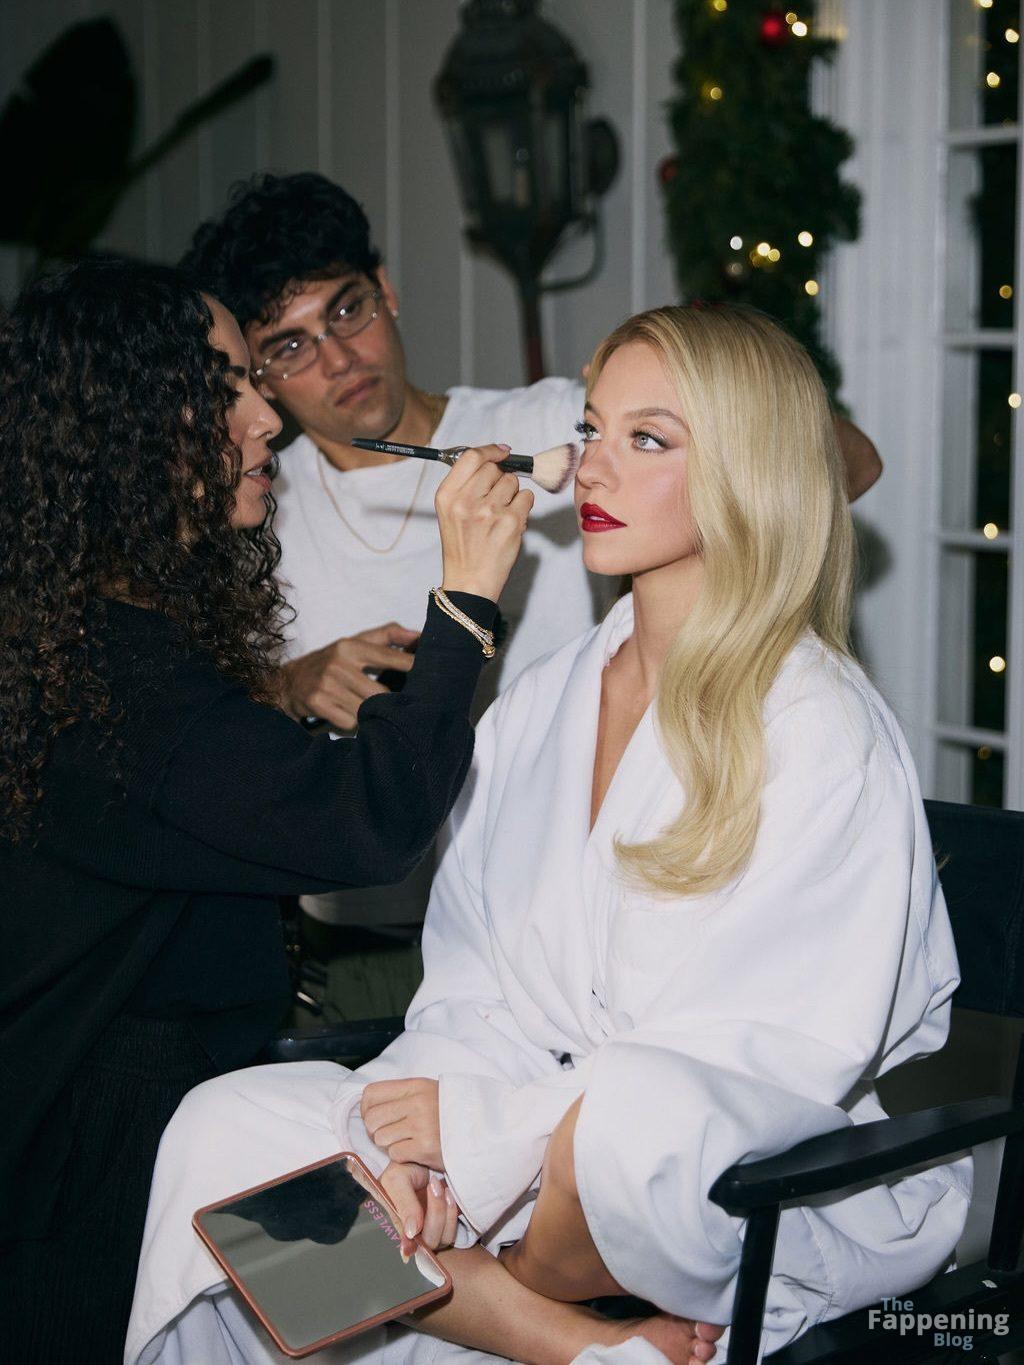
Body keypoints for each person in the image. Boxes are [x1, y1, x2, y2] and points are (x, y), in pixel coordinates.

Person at [127, 304, 968, 1365]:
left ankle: (499, 1297)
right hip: (516, 1138)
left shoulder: (819, 726)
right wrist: (417, 1142)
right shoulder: (539, 704)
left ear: (748, 469)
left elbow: (764, 1060)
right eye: (590, 428)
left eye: (647, 439)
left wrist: (483, 1136)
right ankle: (577, 1346)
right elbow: (470, 983)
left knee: (630, 1114)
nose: (590, 469)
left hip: (716, 1187)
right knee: (225, 1126)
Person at [0, 256, 532, 1364]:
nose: (266, 420)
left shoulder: (83, 634)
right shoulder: (114, 685)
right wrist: (465, 606)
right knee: (383, 1312)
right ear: (125, 430)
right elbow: (365, 822)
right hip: (99, 1157)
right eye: (227, 389)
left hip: (191, 1100)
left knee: (392, 1313)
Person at [181, 171, 884, 938]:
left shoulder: (561, 430)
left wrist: (702, 394)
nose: (339, 358)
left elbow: (849, 464)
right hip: (360, 929)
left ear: (385, 289)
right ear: (257, 375)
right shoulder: (251, 503)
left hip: (565, 916)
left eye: (348, 309)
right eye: (289, 347)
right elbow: (184, 735)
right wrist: (288, 686)